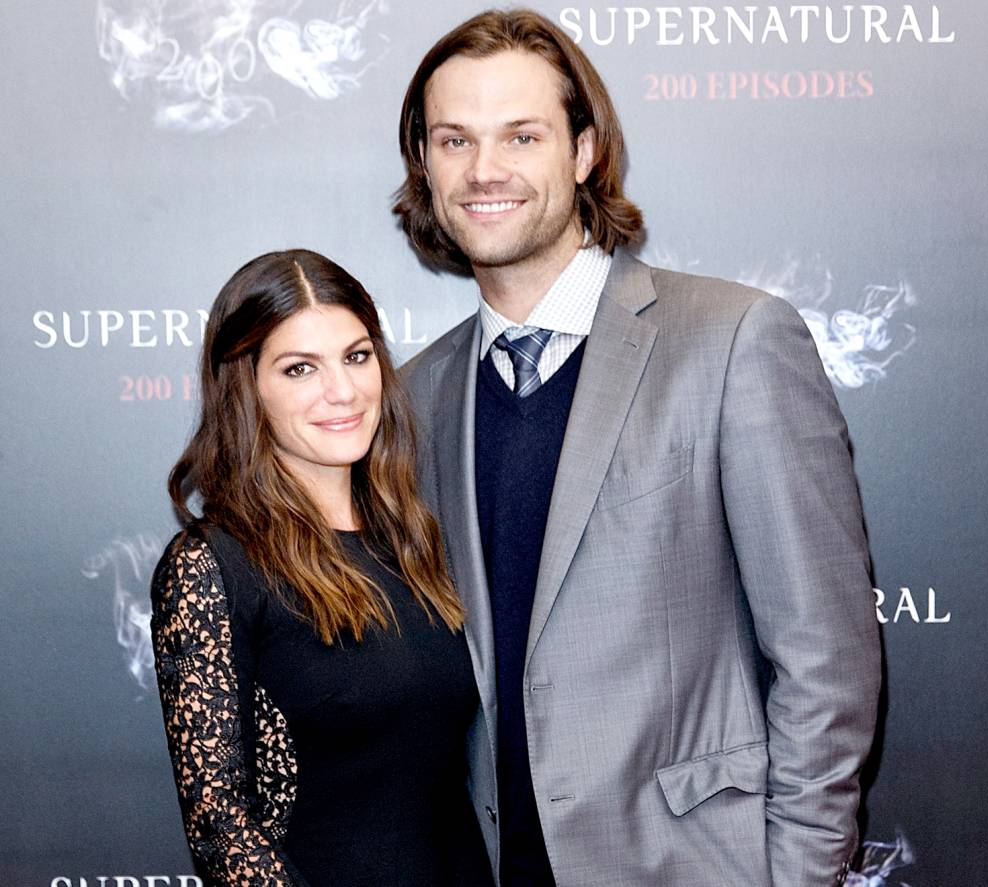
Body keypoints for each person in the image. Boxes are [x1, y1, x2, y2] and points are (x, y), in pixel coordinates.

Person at [394, 9, 882, 887]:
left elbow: (825, 660)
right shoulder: (417, 394)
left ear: (583, 152)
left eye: (522, 135)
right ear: (424, 166)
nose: (485, 170)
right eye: (454, 139)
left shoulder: (733, 341)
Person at [149, 249, 493, 887]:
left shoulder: (417, 536)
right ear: (246, 387)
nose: (343, 390)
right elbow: (220, 829)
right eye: (300, 368)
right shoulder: (213, 565)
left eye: (357, 357)